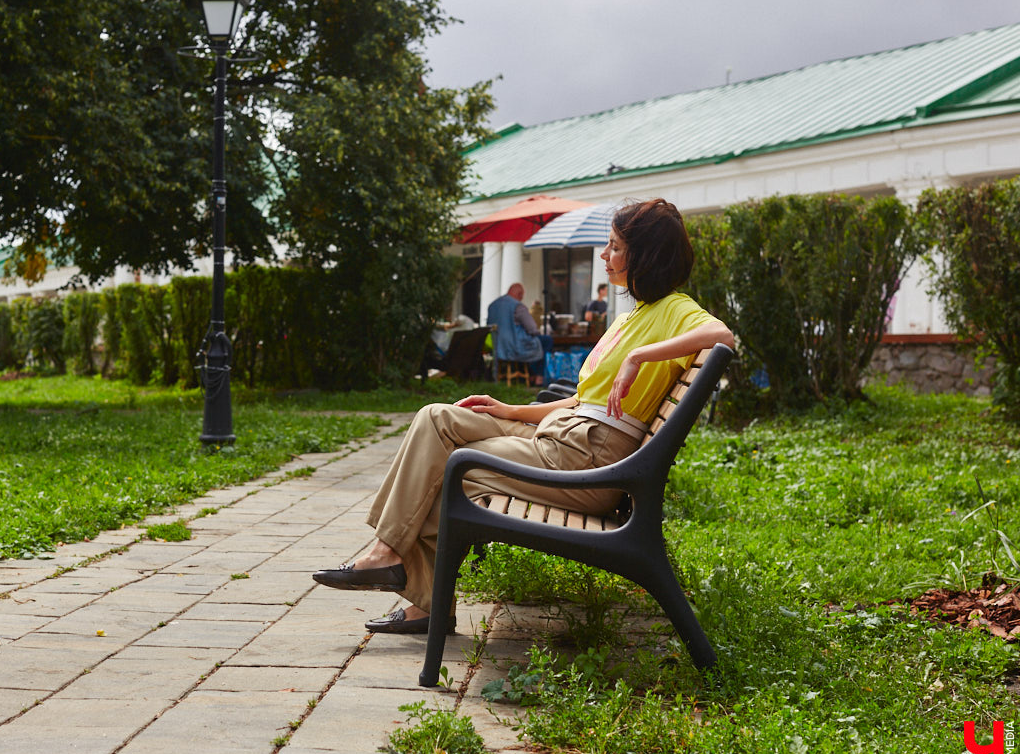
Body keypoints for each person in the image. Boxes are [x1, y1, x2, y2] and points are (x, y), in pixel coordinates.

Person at [313, 199, 735, 635]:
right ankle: (388, 555)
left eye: (614, 247)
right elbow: (580, 400)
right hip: (566, 439)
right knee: (436, 418)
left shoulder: (672, 309)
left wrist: (639, 357)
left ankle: (413, 589)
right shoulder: (635, 316)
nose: (604, 256)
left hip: (590, 462)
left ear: (645, 256)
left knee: (451, 472)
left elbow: (722, 335)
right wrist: (508, 410)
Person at [486, 283, 553, 386]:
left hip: (497, 348)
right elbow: (532, 329)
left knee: (537, 342)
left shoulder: (493, 305)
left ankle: (532, 374)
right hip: (515, 347)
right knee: (546, 340)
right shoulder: (517, 306)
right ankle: (538, 376)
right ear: (520, 294)